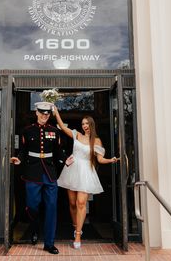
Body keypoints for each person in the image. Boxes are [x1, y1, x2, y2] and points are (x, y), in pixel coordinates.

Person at [53, 106, 118, 249]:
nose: (84, 126)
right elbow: (63, 128)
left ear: (91, 125)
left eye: (87, 123)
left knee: (81, 202)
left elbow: (100, 159)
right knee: (72, 203)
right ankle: (76, 225)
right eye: (83, 124)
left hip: (86, 172)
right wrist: (57, 113)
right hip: (72, 170)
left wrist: (110, 160)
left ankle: (77, 235)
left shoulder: (97, 141)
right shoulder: (76, 135)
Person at [10, 102, 71, 255]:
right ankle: (35, 225)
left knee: (51, 207)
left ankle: (49, 243)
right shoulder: (27, 131)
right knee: (32, 205)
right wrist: (19, 159)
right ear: (36, 112)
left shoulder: (54, 131)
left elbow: (58, 151)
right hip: (32, 173)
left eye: (47, 114)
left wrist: (65, 160)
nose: (45, 116)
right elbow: (23, 151)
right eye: (42, 113)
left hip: (50, 174)